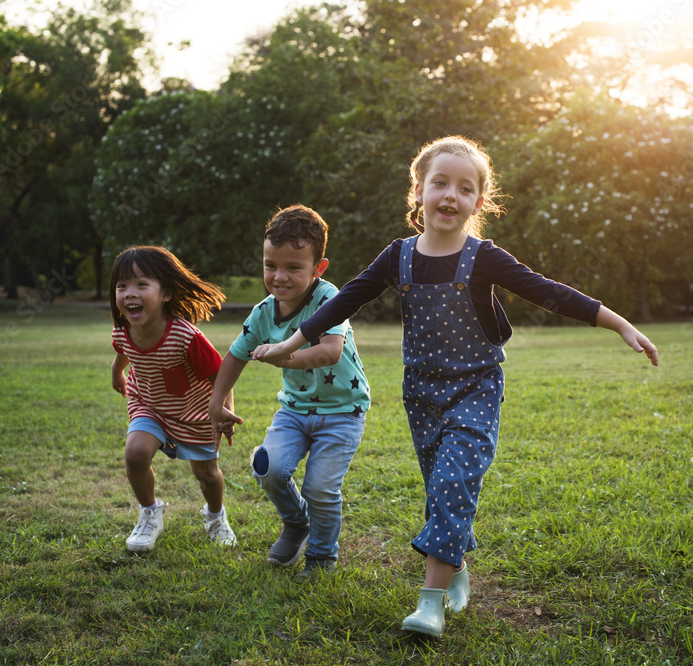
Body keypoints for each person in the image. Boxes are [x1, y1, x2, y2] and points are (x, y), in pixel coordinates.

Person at [256, 136, 659, 637]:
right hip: (421, 392)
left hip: (476, 388)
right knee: (440, 488)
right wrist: (287, 343)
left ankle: (430, 603)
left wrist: (618, 322)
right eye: (439, 183)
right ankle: (458, 568)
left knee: (453, 482)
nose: (450, 195)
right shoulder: (397, 257)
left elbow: (547, 292)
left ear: (478, 202)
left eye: (464, 188)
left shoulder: (483, 257)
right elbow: (342, 304)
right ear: (419, 191)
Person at [208, 205, 370, 579]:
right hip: (294, 411)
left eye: (293, 268)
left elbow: (329, 351)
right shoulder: (265, 311)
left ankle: (321, 558)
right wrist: (216, 404)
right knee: (268, 467)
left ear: (318, 268)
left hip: (343, 412)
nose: (279, 277)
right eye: (270, 265)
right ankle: (297, 523)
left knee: (320, 488)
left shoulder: (331, 298)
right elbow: (235, 355)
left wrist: (285, 357)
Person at [110, 245, 239, 553]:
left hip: (194, 411)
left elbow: (220, 374)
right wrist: (117, 375)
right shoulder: (123, 331)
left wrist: (224, 411)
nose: (130, 293)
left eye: (142, 284)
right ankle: (150, 512)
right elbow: (122, 352)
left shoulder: (186, 336)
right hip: (149, 405)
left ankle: (215, 516)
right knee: (135, 454)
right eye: (121, 285)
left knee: (206, 473)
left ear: (165, 293)